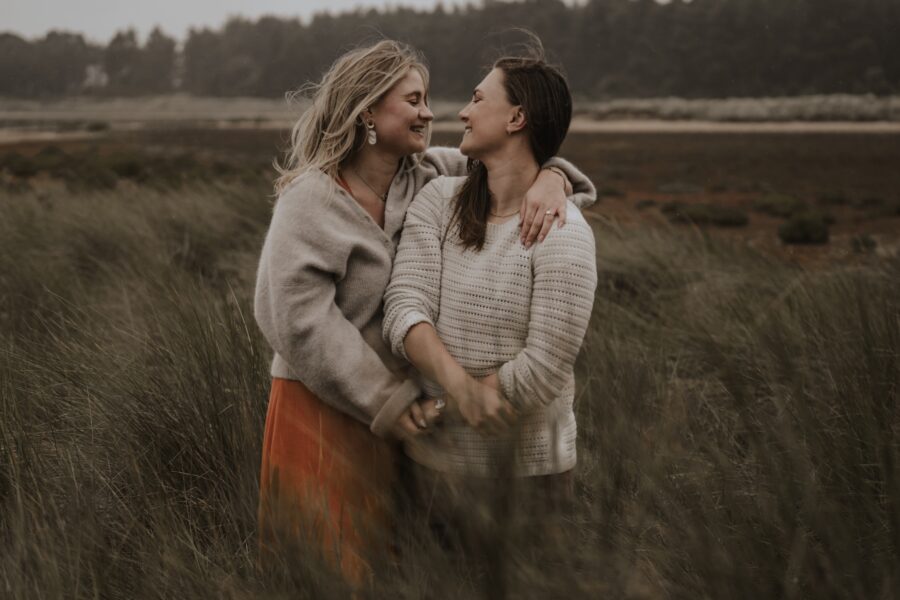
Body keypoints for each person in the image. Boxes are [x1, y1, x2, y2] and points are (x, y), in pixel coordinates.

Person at [253, 39, 596, 586]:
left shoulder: (426, 176)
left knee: (387, 566)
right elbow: (296, 321)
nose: (430, 113)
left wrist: (554, 178)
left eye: (427, 100)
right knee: (322, 567)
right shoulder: (310, 199)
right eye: (413, 100)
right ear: (367, 111)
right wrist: (391, 400)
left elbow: (516, 158)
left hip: (409, 418)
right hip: (323, 407)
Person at [382, 49, 597, 591]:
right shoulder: (439, 200)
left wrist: (451, 403)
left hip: (528, 480)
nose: (462, 111)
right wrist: (462, 390)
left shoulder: (565, 231)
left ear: (516, 118)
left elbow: (544, 369)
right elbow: (403, 308)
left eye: (478, 98)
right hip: (432, 470)